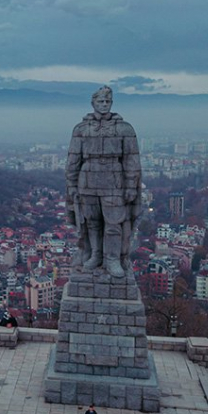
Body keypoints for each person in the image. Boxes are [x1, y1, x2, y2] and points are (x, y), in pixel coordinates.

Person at [66, 86, 142, 278]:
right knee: (92, 222)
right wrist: (72, 184)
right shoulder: (81, 129)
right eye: (100, 101)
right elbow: (73, 159)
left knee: (114, 223)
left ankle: (113, 259)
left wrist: (131, 185)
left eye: (108, 101)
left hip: (114, 180)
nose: (104, 104)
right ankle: (95, 255)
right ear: (93, 103)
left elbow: (131, 159)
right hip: (87, 179)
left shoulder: (124, 129)